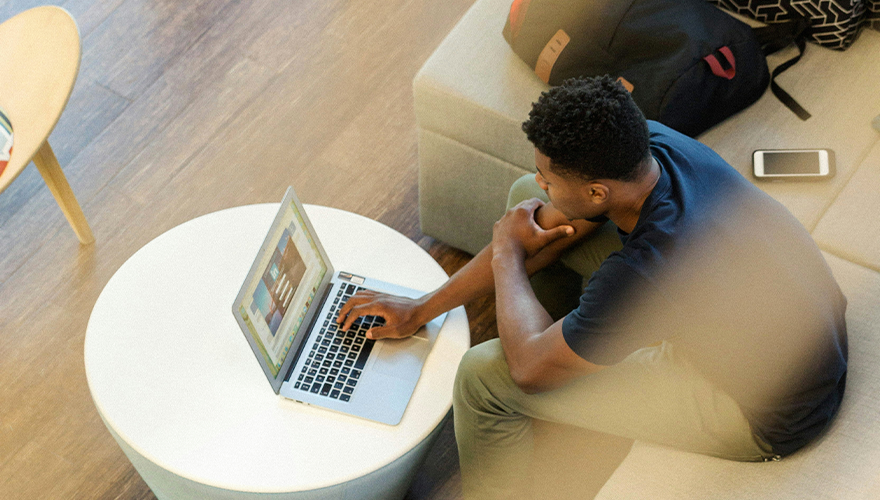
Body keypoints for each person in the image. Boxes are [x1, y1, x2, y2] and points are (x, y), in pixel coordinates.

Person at [337, 76, 848, 499]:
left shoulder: (650, 267)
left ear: (598, 190)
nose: (542, 183)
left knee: (484, 377)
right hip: (791, 329)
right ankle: (571, 347)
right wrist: (421, 308)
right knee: (526, 206)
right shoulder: (651, 147)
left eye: (549, 177)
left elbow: (527, 371)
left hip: (760, 411)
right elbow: (546, 217)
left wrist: (510, 256)